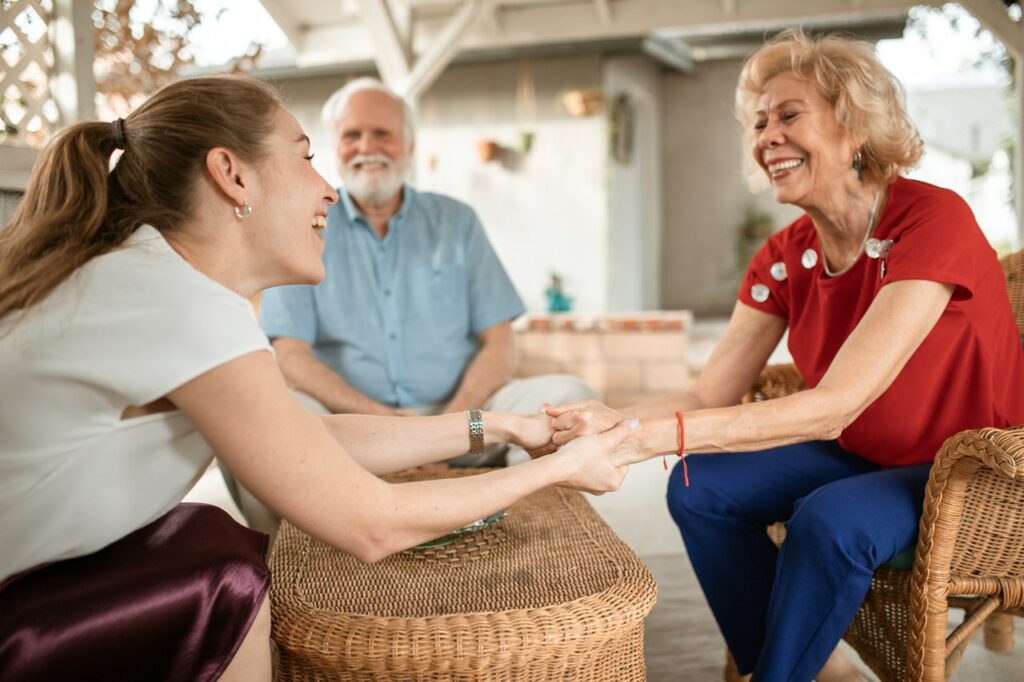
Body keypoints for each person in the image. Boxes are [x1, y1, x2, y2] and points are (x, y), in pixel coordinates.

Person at [0, 75, 636, 681]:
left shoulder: (153, 277)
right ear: (231, 174)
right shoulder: (177, 301)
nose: (328, 188)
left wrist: (503, 425)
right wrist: (557, 466)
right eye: (306, 157)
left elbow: (307, 436)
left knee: (210, 537)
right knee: (228, 569)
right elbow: (374, 523)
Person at [543, 30, 1024, 682]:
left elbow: (834, 406)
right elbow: (708, 394)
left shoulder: (932, 220)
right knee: (697, 487)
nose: (766, 135)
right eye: (759, 122)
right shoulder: (784, 255)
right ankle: (819, 670)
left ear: (855, 128)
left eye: (789, 115)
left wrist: (644, 440)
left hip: (968, 470)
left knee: (828, 521)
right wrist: (613, 422)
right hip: (864, 449)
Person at [257, 77, 595, 456]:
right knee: (264, 419)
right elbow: (290, 356)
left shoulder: (458, 221)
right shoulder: (305, 226)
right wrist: (376, 417)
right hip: (354, 427)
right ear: (335, 147)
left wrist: (453, 423)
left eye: (381, 133)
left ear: (410, 147)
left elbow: (500, 343)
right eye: (352, 135)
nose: (366, 147)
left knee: (570, 397)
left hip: (469, 419)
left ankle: (525, 511)